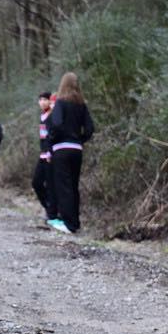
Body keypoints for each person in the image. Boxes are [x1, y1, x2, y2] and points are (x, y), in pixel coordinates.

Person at [46, 72, 95, 234]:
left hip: (61, 149)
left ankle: (68, 224)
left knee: (63, 187)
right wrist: (79, 140)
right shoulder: (82, 105)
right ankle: (75, 222)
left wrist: (53, 140)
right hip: (77, 150)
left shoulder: (60, 102)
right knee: (73, 186)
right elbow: (90, 129)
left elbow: (57, 124)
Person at [32, 92, 56, 221]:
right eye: (40, 99)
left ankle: (52, 213)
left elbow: (53, 136)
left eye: (45, 99)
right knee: (36, 183)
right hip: (42, 155)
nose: (42, 102)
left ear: (50, 101)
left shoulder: (53, 116)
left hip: (50, 156)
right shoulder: (42, 116)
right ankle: (48, 207)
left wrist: (50, 152)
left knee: (51, 185)